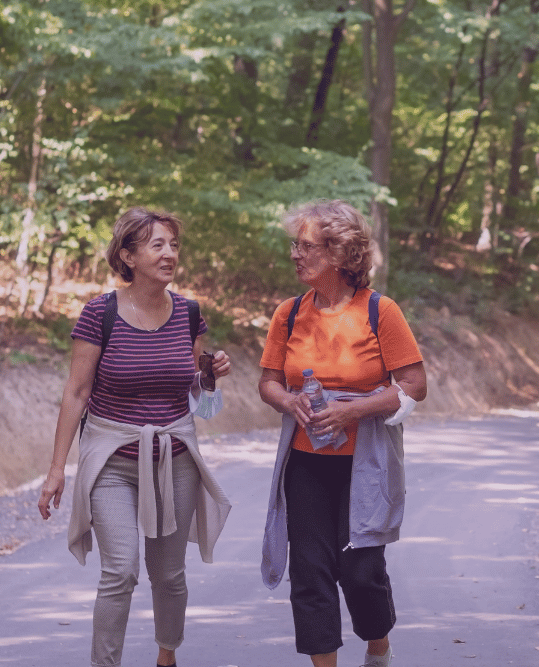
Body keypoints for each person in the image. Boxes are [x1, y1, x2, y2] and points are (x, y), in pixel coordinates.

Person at [37, 207, 233, 667]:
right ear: (128, 255)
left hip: (175, 457)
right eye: (157, 245)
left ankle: (167, 656)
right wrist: (56, 470)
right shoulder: (99, 313)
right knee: (120, 571)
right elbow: (76, 393)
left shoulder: (189, 313)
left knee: (168, 576)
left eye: (174, 245)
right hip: (112, 463)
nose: (170, 254)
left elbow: (200, 405)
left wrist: (209, 380)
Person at [258, 200, 428, 667]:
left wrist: (353, 412)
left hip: (365, 461)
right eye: (296, 245)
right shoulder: (288, 314)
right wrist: (288, 401)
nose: (295, 254)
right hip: (306, 460)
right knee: (310, 574)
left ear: (338, 253)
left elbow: (415, 385)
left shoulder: (380, 311)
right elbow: (268, 382)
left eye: (306, 246)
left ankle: (378, 648)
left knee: (361, 571)